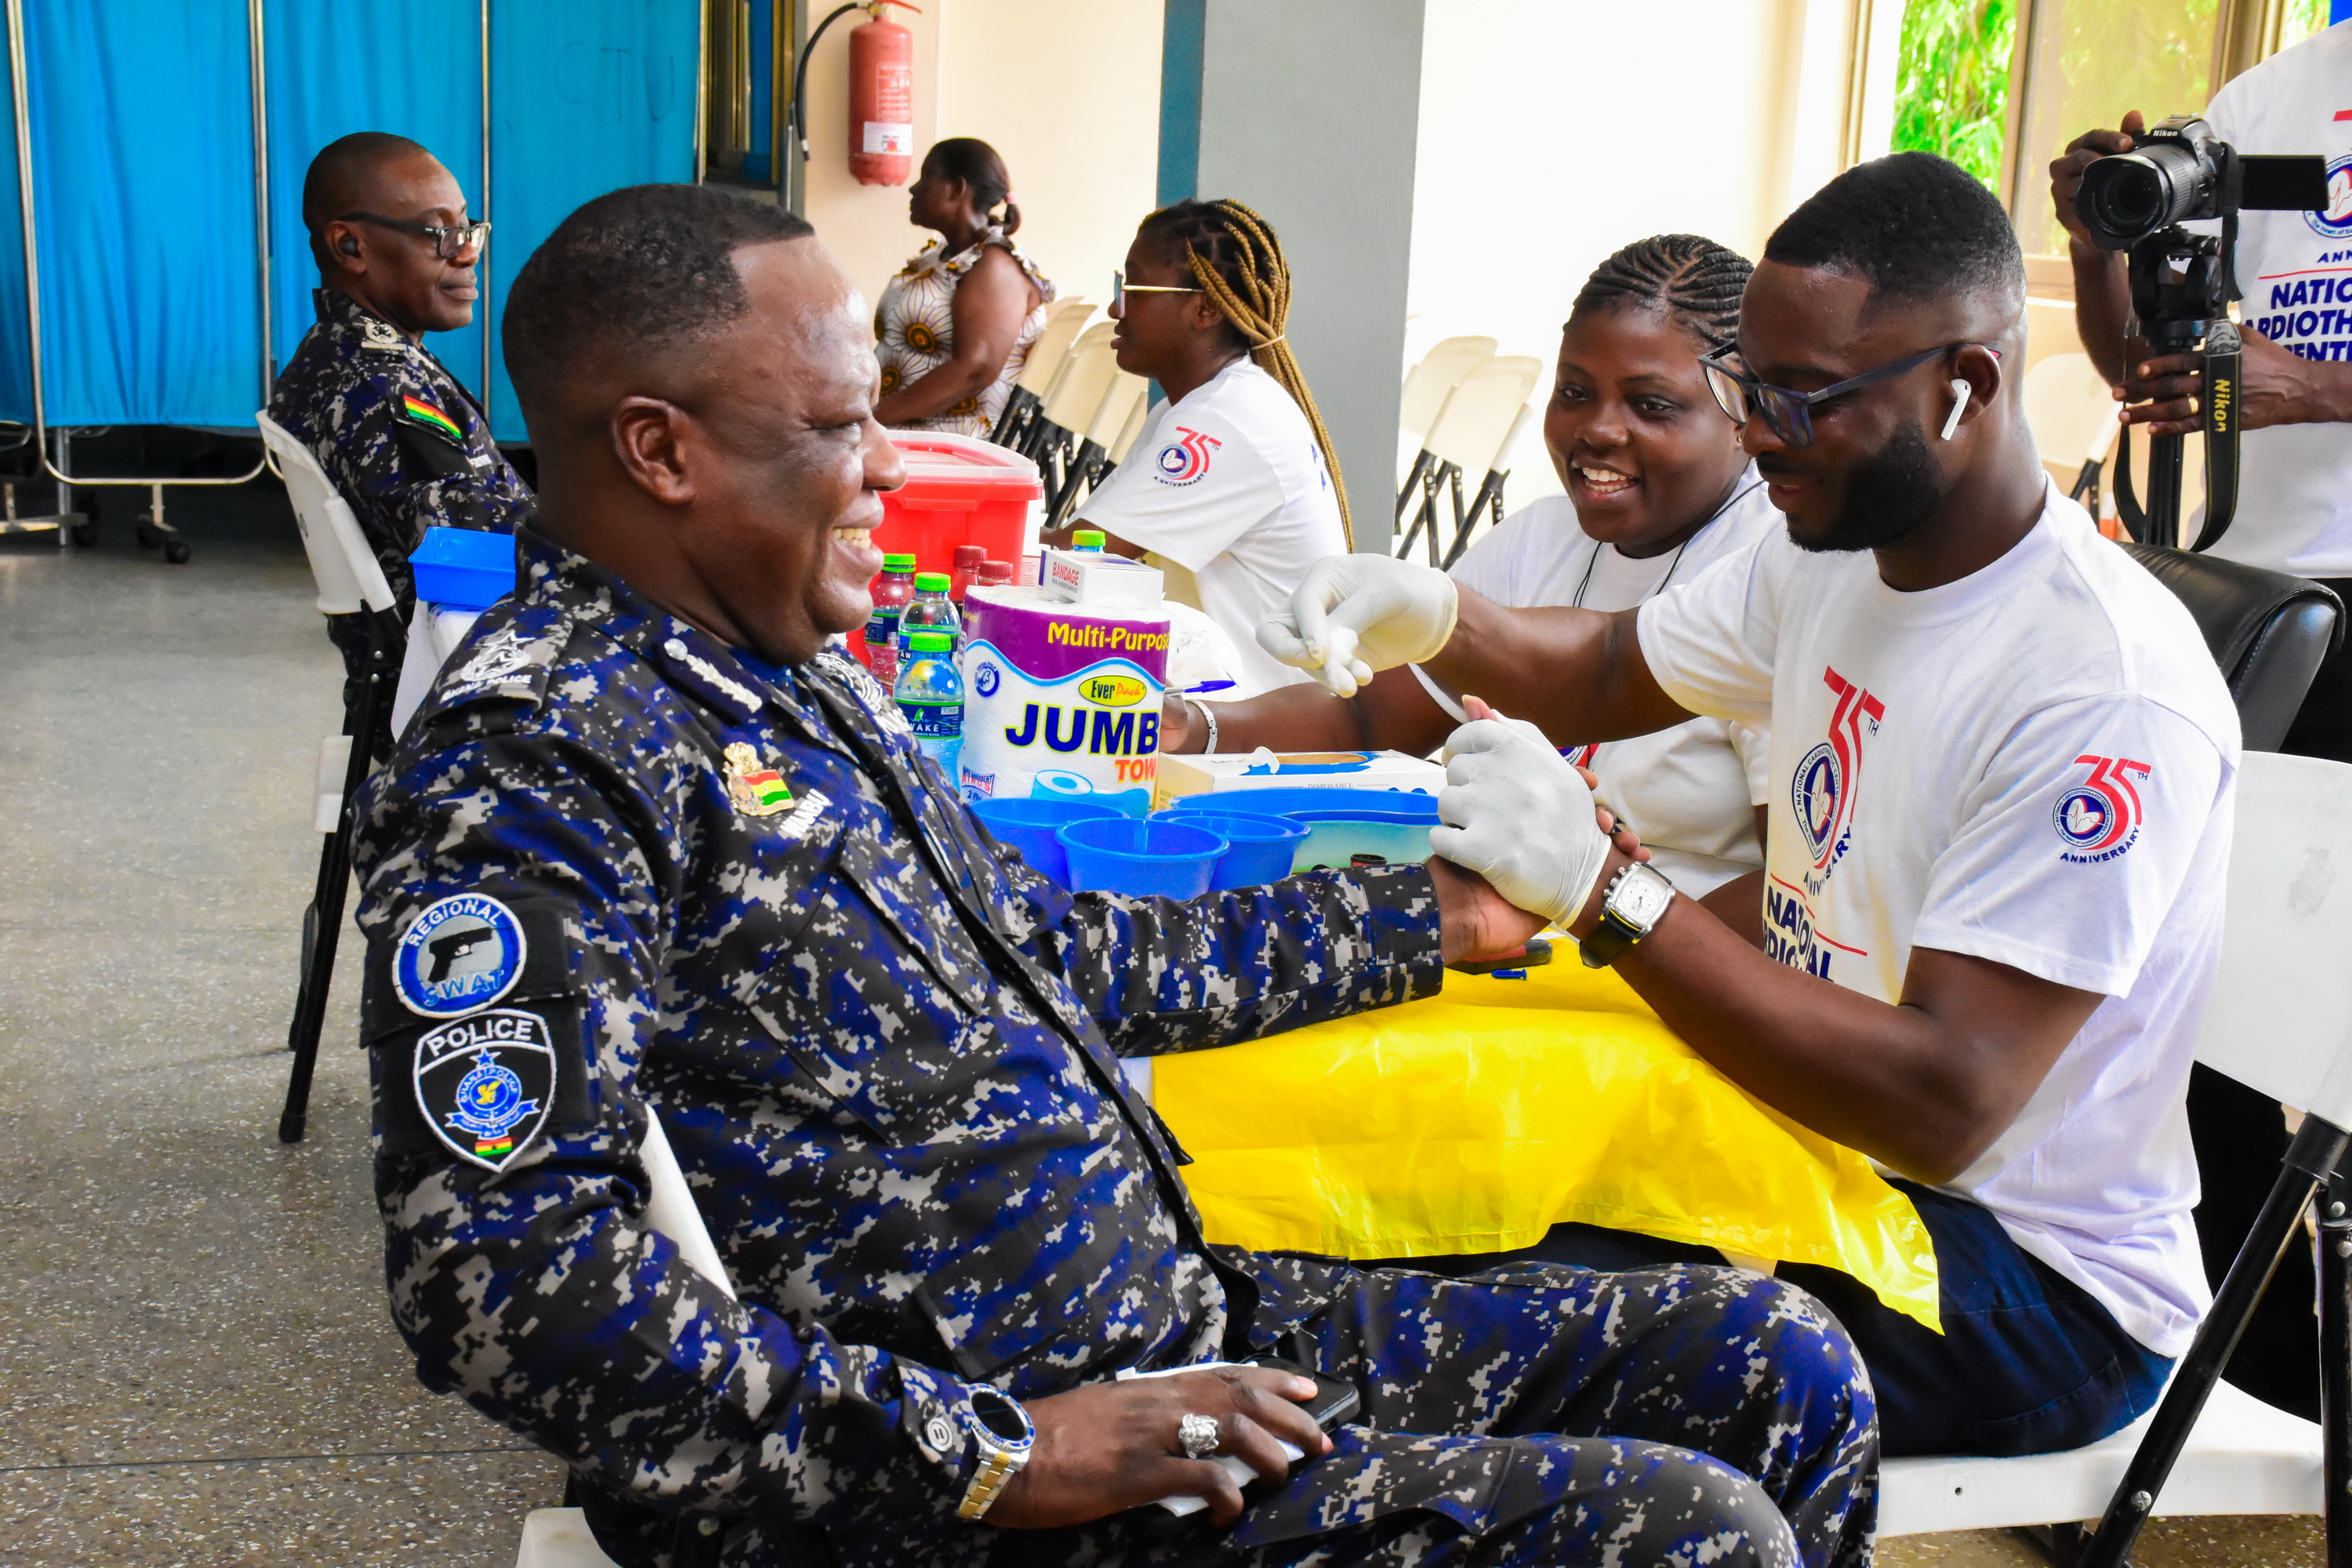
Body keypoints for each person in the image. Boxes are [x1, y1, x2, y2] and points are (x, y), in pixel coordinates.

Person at [350, 182, 1878, 1568]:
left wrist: (1424, 920)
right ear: (660, 449)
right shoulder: (538, 767)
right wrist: (1004, 1456)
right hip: (963, 1491)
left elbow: (1053, 949)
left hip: (1173, 1348)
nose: (886, 463)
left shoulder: (781, 671)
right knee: (1700, 1542)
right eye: (833, 424)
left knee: (1779, 1361)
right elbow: (502, 1279)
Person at [1263, 152, 2239, 1461]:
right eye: (1747, 387)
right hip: (1819, 1129)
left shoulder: (2098, 691)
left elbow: (1944, 1101)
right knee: (1408, 1132)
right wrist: (1441, 615)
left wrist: (1606, 892)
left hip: (2018, 1273)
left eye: (1800, 398)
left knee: (1485, 1298)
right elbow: (1612, 667)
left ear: (1965, 386)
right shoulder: (1834, 555)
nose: (1761, 432)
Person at [2049, 26, 2352, 1420]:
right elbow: (2147, 372)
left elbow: (2281, 378)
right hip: (2263, 602)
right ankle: (2257, 1378)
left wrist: (2312, 388)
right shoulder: (2268, 93)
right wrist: (2097, 249)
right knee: (2206, 982)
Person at [1168, 234, 1778, 906]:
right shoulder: (1541, 539)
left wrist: (1609, 917)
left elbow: (1794, 900)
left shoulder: (1770, 572)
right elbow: (1374, 720)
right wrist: (1189, 727)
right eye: (1574, 392)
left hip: (1660, 948)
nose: (1599, 430)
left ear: (1744, 412)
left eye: (1652, 404)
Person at [267, 131, 532, 741]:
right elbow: (481, 551)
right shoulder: (381, 388)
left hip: (445, 670)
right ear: (350, 245)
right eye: (437, 233)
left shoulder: (344, 353)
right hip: (465, 692)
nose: (466, 253)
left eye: (467, 228)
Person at [1047, 199, 1350, 697]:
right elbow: (1080, 548)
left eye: (1132, 289)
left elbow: (1076, 560)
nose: (1116, 308)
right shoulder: (1194, 407)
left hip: (1266, 720)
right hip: (1228, 703)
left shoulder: (1227, 420)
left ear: (1204, 309)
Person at [869, 137, 1054, 435]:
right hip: (898, 428)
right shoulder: (945, 257)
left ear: (956, 189)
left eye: (927, 176)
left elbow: (974, 370)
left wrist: (869, 420)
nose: (914, 189)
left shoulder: (994, 265)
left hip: (948, 440)